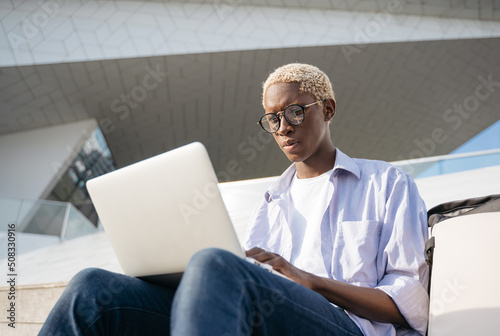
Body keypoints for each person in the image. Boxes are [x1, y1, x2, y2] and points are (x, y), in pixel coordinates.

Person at [39, 63, 429, 336]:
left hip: (345, 328)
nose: (284, 128)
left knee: (214, 262)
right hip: (265, 320)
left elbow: (409, 304)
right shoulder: (272, 202)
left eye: (295, 111)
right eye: (272, 119)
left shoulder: (386, 183)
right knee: (92, 290)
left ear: (327, 109)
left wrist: (310, 282)